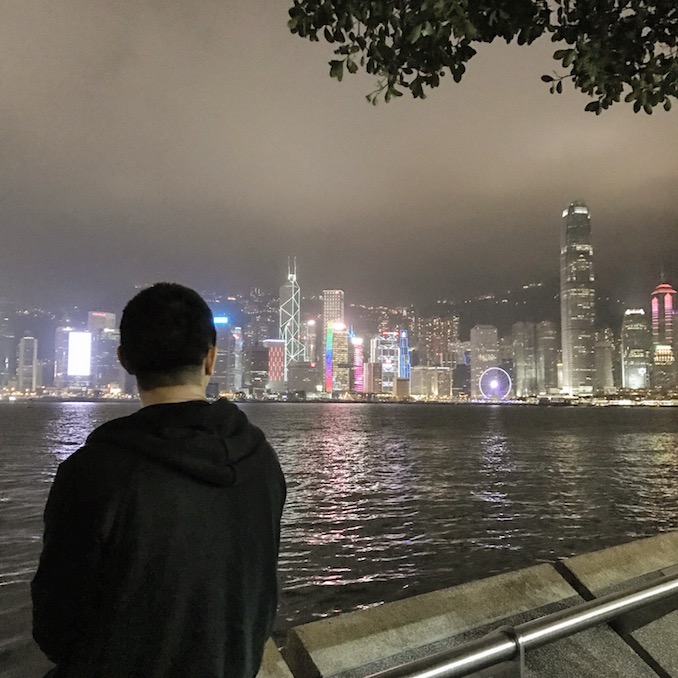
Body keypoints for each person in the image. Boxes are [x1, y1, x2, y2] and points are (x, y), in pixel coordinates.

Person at [31, 283, 286, 677]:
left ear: (125, 360)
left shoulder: (94, 472)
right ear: (211, 359)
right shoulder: (261, 460)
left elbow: (56, 632)